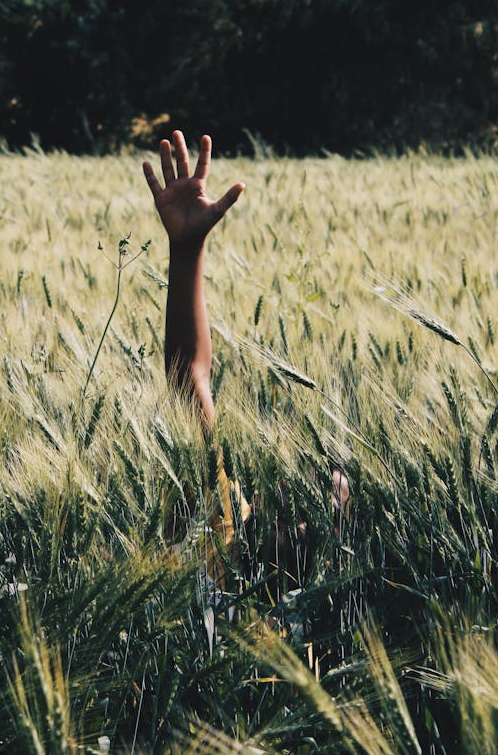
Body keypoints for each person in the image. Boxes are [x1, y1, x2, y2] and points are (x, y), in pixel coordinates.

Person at [143, 129, 349, 590]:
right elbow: (187, 376)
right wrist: (186, 249)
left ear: (333, 551)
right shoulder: (224, 532)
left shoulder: (224, 545)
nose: (305, 495)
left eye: (319, 498)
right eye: (307, 483)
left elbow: (187, 377)